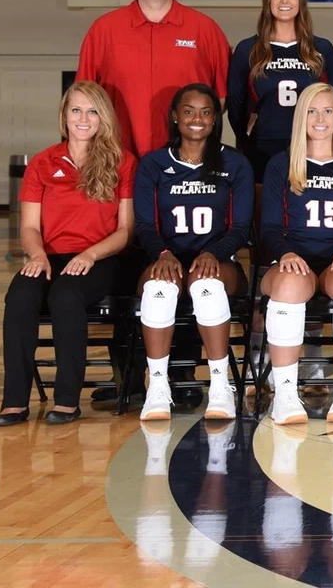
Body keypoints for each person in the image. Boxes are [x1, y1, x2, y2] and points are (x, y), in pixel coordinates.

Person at [0, 82, 135, 426]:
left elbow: (125, 231)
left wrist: (90, 255)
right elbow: (29, 227)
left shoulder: (123, 162)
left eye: (92, 111)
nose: (83, 119)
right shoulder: (43, 163)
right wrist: (37, 256)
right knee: (21, 296)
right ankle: (14, 401)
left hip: (101, 258)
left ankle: (67, 400)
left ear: (103, 118)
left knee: (66, 296)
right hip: (51, 256)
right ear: (64, 116)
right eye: (76, 110)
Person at [133, 84, 254, 421]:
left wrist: (214, 253)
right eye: (188, 111)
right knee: (158, 290)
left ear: (215, 119)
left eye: (205, 112)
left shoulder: (235, 163)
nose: (196, 119)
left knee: (207, 285)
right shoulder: (154, 164)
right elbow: (144, 224)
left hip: (221, 262)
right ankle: (157, 386)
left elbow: (240, 227)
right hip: (166, 258)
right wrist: (163, 254)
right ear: (175, 116)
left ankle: (220, 385)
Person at [259, 83, 333, 425]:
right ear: (301, 117)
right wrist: (286, 252)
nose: (320, 118)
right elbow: (268, 228)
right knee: (290, 284)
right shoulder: (281, 165)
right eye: (312, 111)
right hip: (292, 260)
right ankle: (284, 395)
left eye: (328, 111)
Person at [76, 0, 230, 157]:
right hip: (118, 162)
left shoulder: (205, 30)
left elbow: (221, 100)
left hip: (188, 165)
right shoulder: (104, 30)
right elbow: (83, 99)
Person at [228, 0, 333, 181]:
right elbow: (235, 107)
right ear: (267, 0)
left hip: (311, 147)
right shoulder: (248, 49)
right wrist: (247, 141)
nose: (284, 0)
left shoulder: (321, 49)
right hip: (263, 147)